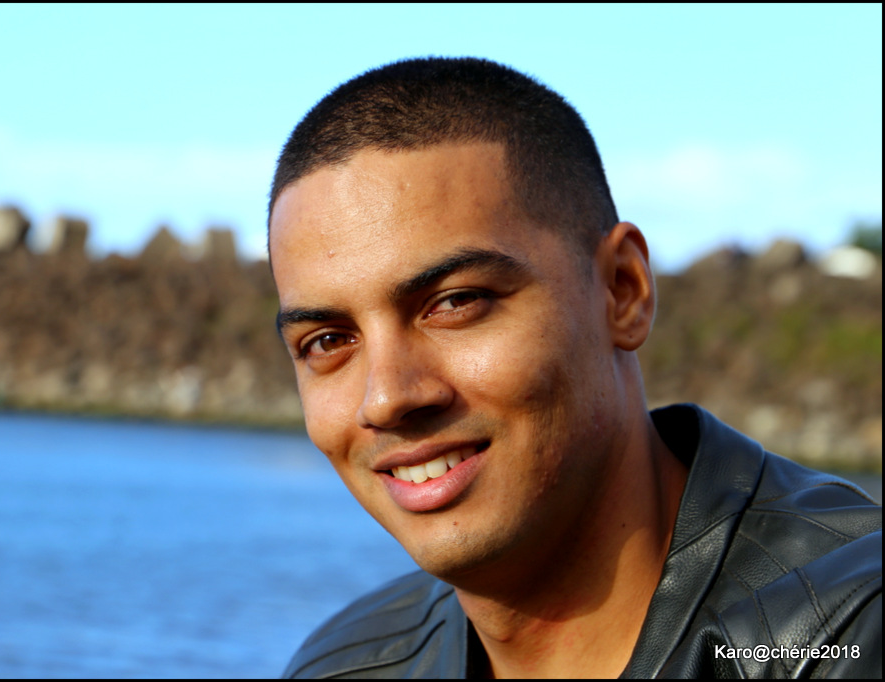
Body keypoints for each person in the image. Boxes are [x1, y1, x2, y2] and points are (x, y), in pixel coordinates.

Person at [267, 57, 881, 678]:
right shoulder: (345, 666)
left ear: (622, 290)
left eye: (455, 302)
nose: (386, 398)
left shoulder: (849, 631)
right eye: (328, 341)